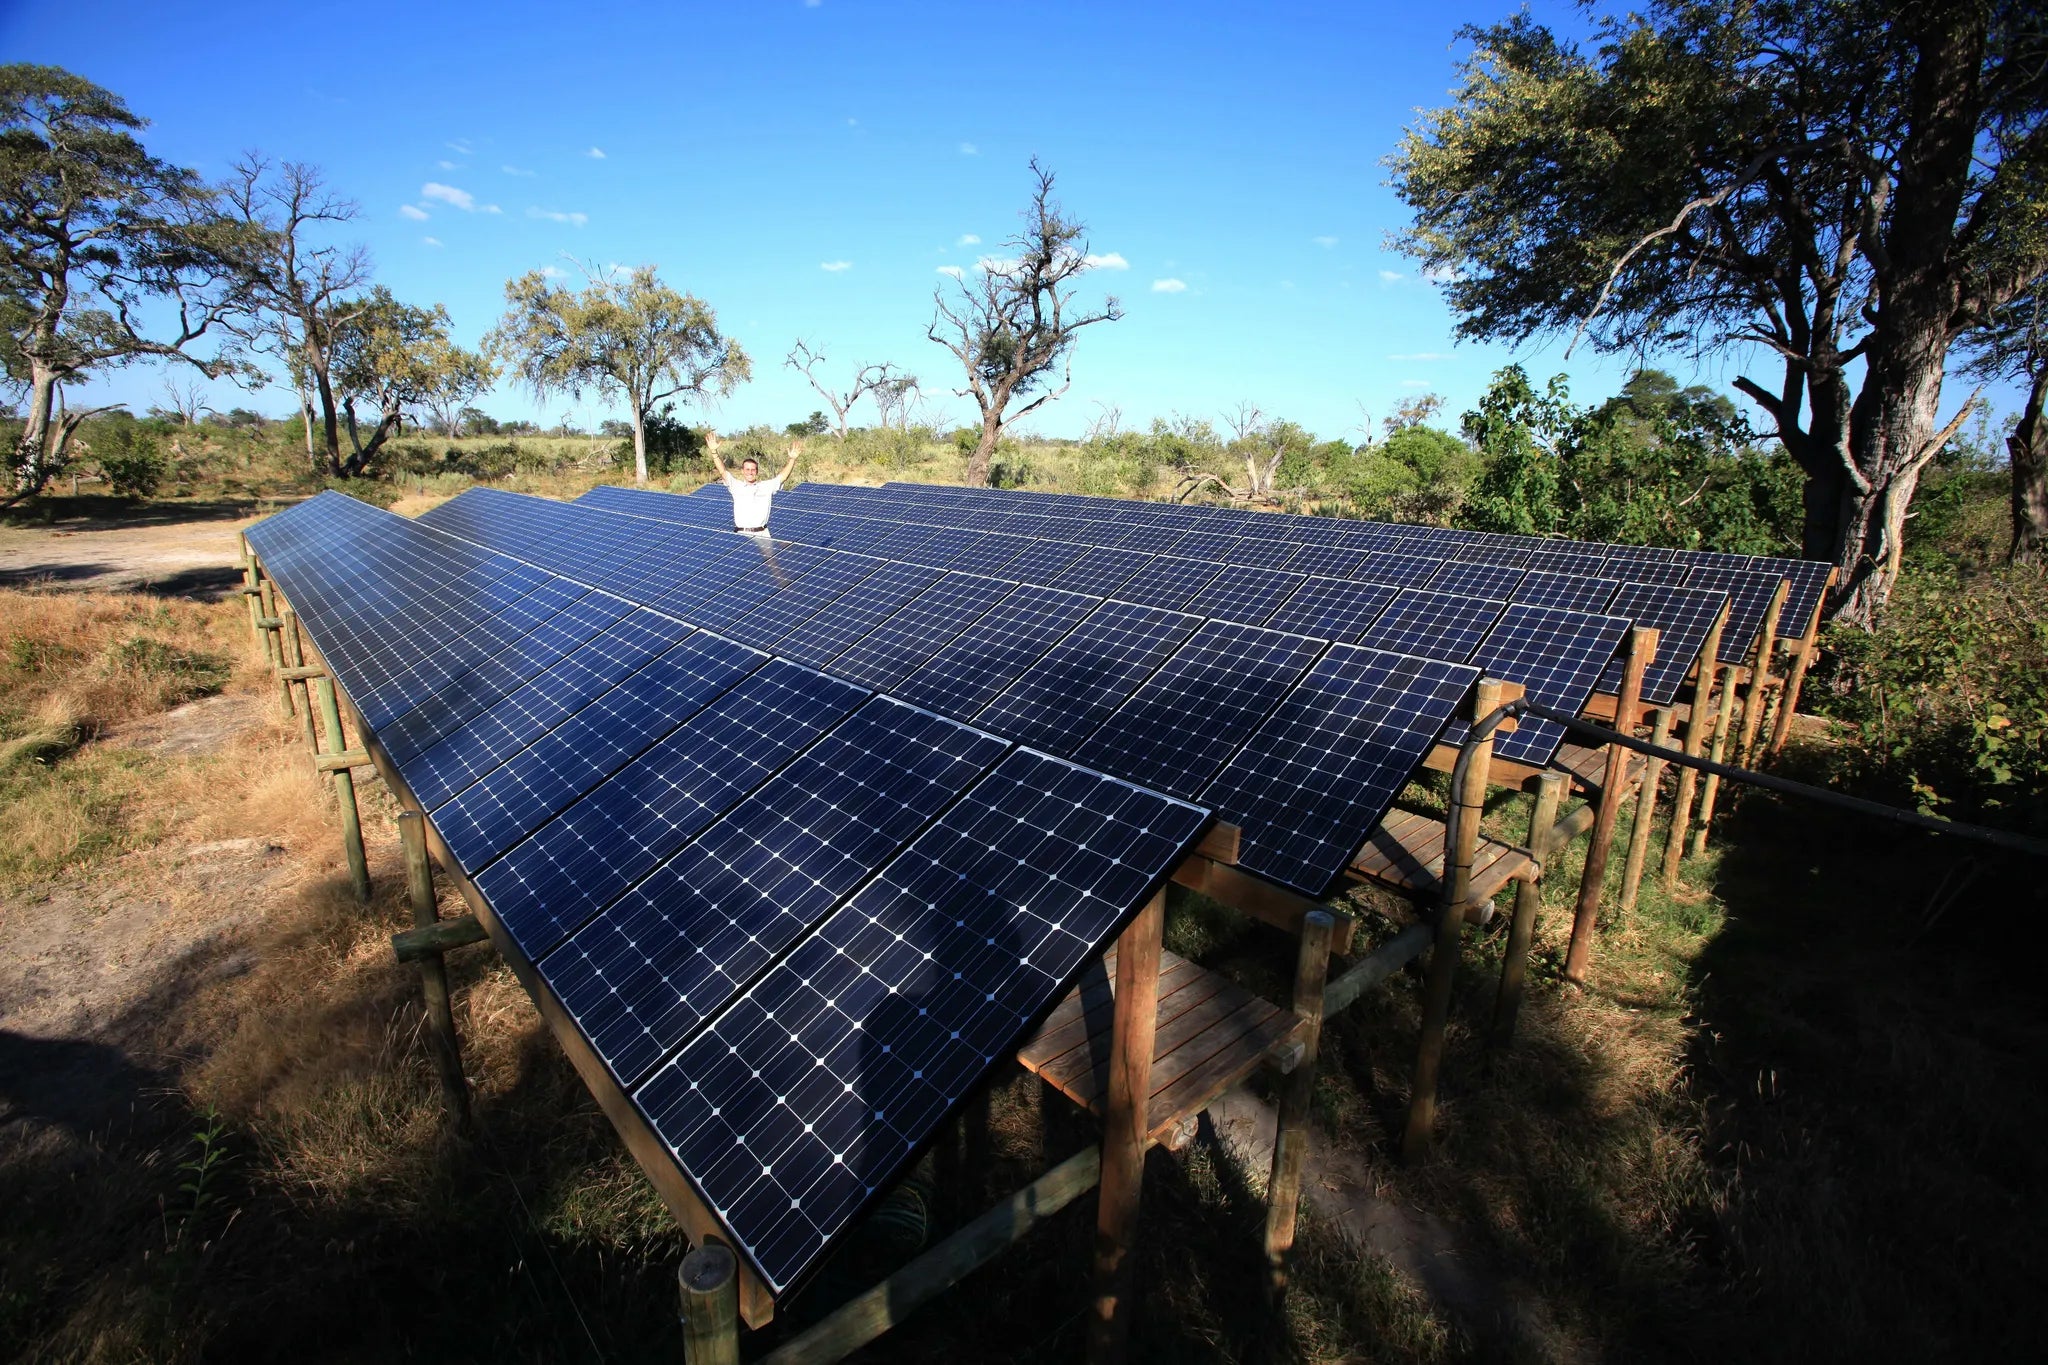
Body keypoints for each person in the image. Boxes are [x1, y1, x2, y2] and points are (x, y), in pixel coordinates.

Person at [709, 436, 799, 535]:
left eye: (753, 469)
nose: (750, 472)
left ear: (757, 471)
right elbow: (723, 471)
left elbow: (783, 477)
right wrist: (714, 452)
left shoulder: (766, 486)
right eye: (747, 469)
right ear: (742, 471)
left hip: (762, 534)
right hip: (741, 534)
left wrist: (792, 459)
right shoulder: (736, 486)